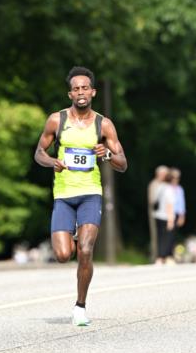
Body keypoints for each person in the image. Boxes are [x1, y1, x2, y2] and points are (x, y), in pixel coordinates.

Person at [34, 66, 127, 326]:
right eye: (76, 89)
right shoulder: (57, 120)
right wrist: (52, 161)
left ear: (93, 92)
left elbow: (122, 162)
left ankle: (80, 306)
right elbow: (38, 153)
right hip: (63, 195)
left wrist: (106, 155)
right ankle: (72, 233)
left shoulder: (103, 124)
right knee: (64, 254)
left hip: (90, 193)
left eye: (85, 88)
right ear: (70, 94)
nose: (81, 92)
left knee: (85, 250)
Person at [153, 169, 177, 265]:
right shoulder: (169, 189)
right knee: (167, 238)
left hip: (158, 215)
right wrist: (171, 220)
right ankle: (164, 256)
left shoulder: (160, 187)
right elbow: (169, 205)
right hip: (166, 216)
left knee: (160, 237)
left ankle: (159, 256)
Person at [147, 165, 168, 262]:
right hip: (155, 214)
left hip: (166, 214)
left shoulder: (167, 184)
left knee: (166, 235)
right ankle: (156, 256)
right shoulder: (154, 184)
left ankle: (164, 255)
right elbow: (152, 200)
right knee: (156, 235)